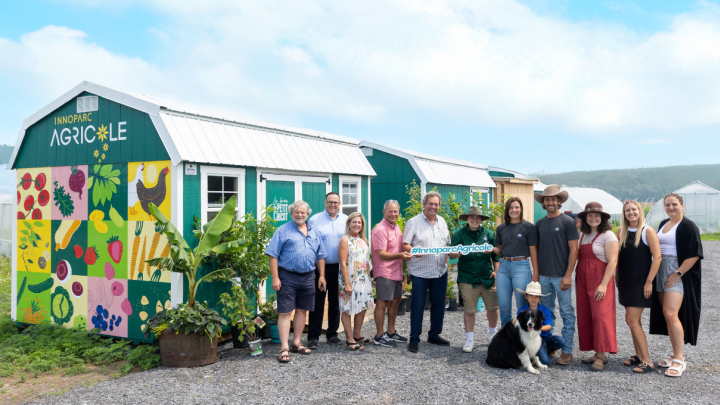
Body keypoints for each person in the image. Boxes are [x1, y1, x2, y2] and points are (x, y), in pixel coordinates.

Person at [265, 200, 327, 363]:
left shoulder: (314, 231)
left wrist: (321, 276)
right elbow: (273, 255)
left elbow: (320, 255)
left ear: (308, 214)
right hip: (288, 276)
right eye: (296, 212)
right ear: (291, 214)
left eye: (302, 212)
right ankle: (284, 347)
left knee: (302, 310)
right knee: (285, 312)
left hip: (309, 276)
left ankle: (296, 343)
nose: (300, 215)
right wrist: (275, 277)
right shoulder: (282, 231)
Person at [649, 193, 703, 378]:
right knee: (668, 315)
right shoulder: (664, 223)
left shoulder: (688, 226)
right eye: (667, 205)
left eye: (674, 204)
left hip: (677, 270)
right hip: (660, 268)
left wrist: (677, 274)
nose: (670, 208)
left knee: (671, 313)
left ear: (682, 205)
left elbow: (695, 254)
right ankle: (674, 355)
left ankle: (679, 359)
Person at [534, 184, 579, 365]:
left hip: (561, 276)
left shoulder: (567, 222)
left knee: (566, 312)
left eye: (553, 199)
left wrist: (568, 275)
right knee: (547, 313)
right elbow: (536, 250)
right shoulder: (540, 223)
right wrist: (536, 275)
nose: (550, 202)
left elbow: (574, 250)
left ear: (559, 201)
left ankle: (567, 351)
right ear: (544, 203)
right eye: (547, 199)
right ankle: (550, 345)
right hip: (544, 276)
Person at [402, 191, 451, 353]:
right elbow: (405, 244)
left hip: (439, 271)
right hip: (420, 273)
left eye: (436, 204)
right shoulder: (413, 222)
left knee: (439, 305)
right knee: (417, 306)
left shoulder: (442, 221)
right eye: (430, 203)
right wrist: (414, 250)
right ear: (424, 204)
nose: (433, 207)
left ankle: (434, 335)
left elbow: (447, 245)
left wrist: (447, 264)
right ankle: (414, 338)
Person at [616, 200, 662, 373]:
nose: (631, 213)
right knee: (634, 321)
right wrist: (616, 277)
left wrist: (649, 281)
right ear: (624, 213)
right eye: (627, 210)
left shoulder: (647, 231)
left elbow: (657, 257)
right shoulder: (621, 230)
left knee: (631, 319)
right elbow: (619, 257)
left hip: (641, 283)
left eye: (634, 209)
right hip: (625, 282)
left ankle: (648, 361)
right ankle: (639, 355)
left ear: (640, 211)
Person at [448, 207, 500, 353]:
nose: (475, 220)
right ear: (467, 219)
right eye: (472, 217)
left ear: (481, 220)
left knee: (493, 308)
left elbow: (496, 255)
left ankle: (492, 334)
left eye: (478, 218)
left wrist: (496, 271)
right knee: (469, 310)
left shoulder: (489, 234)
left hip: (487, 277)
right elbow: (451, 254)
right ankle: (469, 340)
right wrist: (456, 253)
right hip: (468, 278)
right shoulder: (459, 234)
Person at [575, 202, 619, 372]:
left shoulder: (608, 235)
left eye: (596, 215)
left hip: (600, 280)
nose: (593, 218)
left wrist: (603, 284)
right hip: (583, 279)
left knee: (601, 316)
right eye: (590, 215)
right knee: (586, 314)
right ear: (585, 218)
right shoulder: (583, 235)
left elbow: (613, 261)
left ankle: (601, 355)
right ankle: (596, 352)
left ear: (602, 218)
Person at [307, 192, 347, 348]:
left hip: (340, 267)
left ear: (339, 203)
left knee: (335, 302)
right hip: (320, 268)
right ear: (325, 202)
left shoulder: (345, 220)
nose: (333, 205)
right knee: (318, 301)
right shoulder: (315, 220)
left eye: (335, 202)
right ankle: (313, 336)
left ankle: (332, 334)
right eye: (330, 202)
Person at [371, 200, 412, 347]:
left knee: (395, 301)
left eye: (395, 211)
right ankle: (379, 335)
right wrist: (401, 255)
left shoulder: (396, 227)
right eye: (390, 211)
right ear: (384, 212)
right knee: (382, 303)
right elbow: (382, 254)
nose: (393, 214)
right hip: (385, 272)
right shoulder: (380, 229)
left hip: (396, 271)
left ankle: (391, 331)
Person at [494, 197, 539, 328]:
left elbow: (533, 251)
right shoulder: (501, 228)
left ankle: (523, 335)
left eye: (516, 207)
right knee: (504, 306)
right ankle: (507, 335)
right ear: (507, 210)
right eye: (511, 207)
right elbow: (500, 250)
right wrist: (491, 248)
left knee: (522, 307)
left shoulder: (529, 227)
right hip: (503, 268)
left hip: (521, 267)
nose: (514, 210)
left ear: (521, 209)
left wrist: (536, 273)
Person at [338, 212, 374, 350]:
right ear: (348, 223)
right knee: (347, 309)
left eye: (359, 222)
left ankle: (357, 334)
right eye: (354, 222)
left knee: (363, 307)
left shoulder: (363, 240)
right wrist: (347, 283)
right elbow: (342, 263)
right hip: (349, 279)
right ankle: (349, 339)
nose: (357, 224)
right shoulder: (345, 240)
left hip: (363, 279)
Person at [515, 281, 565, 366]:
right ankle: (534, 353)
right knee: (546, 361)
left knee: (560, 341)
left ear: (540, 298)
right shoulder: (522, 311)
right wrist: (514, 320)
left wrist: (536, 327)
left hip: (543, 337)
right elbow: (518, 323)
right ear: (526, 296)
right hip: (529, 338)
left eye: (536, 296)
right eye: (531, 295)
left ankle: (548, 349)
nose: (533, 299)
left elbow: (549, 326)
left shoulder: (545, 310)